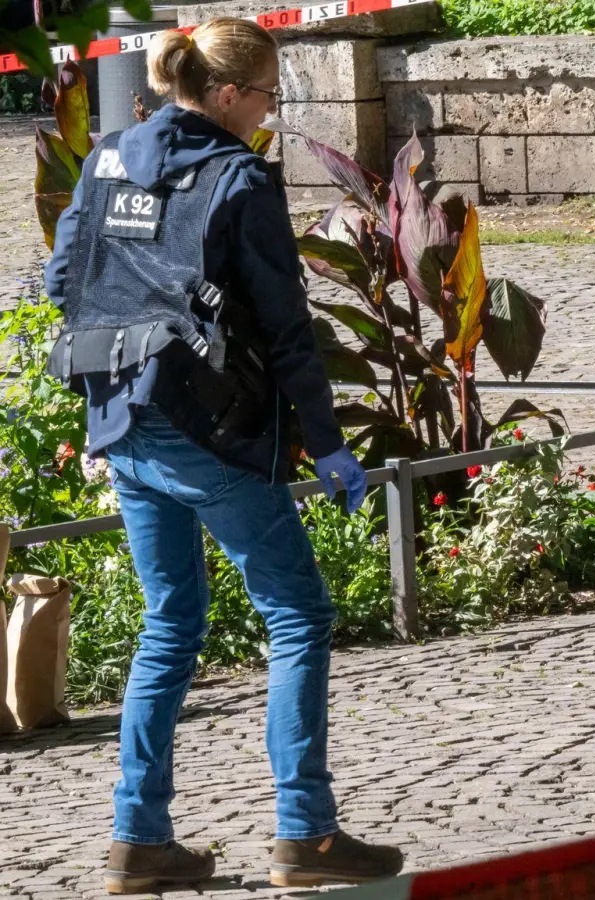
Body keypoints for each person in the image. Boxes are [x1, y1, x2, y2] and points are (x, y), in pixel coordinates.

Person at [43, 18, 403, 893]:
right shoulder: (239, 177)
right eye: (271, 95)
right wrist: (328, 445)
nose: (271, 110)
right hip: (210, 431)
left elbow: (61, 283)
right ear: (232, 94)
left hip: (122, 416)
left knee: (169, 623)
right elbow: (285, 330)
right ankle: (306, 834)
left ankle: (139, 839)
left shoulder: (109, 160)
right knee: (297, 614)